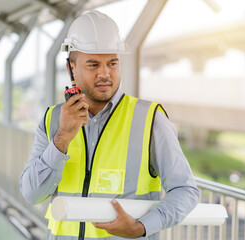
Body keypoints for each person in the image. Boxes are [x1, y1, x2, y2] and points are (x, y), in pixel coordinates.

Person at [19, 10, 199, 240]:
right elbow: (32, 194)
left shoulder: (150, 119)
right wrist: (62, 138)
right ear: (71, 68)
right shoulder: (52, 120)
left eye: (112, 63)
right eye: (93, 65)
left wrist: (143, 227)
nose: (105, 74)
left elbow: (185, 190)